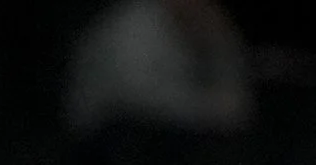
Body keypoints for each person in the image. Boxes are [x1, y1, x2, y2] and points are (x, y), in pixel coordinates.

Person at [64, 0, 253, 136]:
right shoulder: (133, 29)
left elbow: (235, 92)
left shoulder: (195, 21)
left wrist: (218, 40)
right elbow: (139, 98)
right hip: (105, 135)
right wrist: (210, 109)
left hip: (160, 132)